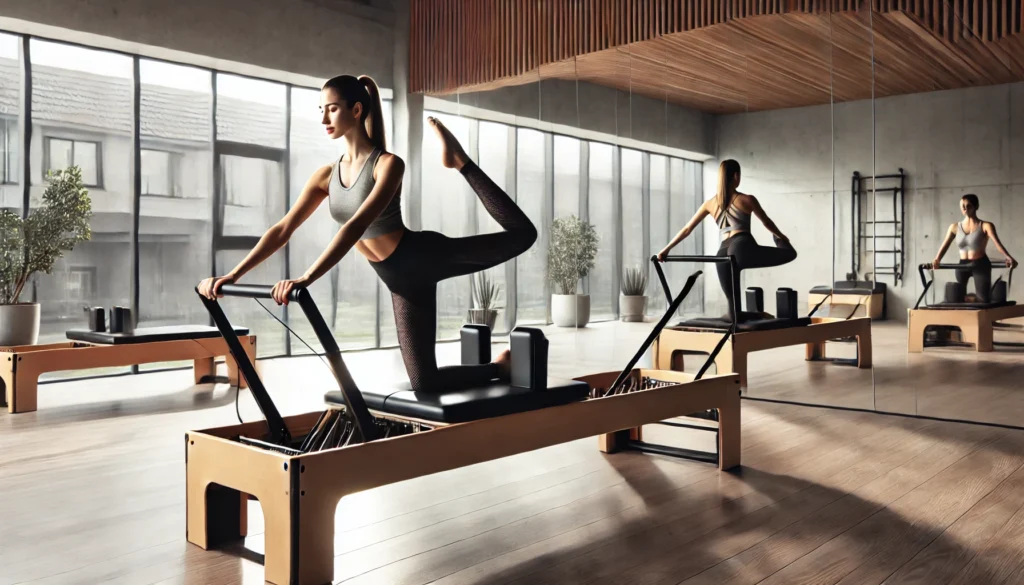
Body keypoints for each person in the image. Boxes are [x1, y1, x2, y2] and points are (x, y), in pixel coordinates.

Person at [198, 74, 537, 392]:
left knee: (523, 235)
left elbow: (356, 226)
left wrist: (306, 278)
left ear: (356, 110)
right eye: (321, 110)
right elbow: (283, 229)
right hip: (398, 280)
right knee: (424, 383)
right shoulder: (325, 175)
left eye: (332, 109)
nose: (324, 119)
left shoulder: (388, 164)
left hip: (423, 257)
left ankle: (461, 162)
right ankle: (500, 367)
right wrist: (232, 274)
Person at [656, 159, 796, 321]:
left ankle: (758, 315)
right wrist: (781, 236)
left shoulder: (710, 204)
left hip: (722, 254)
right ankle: (759, 315)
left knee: (733, 314)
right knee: (789, 253)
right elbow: (767, 222)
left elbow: (687, 229)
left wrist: (665, 250)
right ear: (736, 176)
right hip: (742, 247)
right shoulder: (747, 199)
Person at [930, 193, 1016, 302]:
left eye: (968, 205)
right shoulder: (954, 227)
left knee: (983, 300)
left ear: (976, 206)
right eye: (962, 206)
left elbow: (997, 243)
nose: (965, 208)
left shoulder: (986, 226)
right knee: (957, 300)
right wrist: (937, 259)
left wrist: (1008, 257)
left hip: (980, 265)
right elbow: (945, 245)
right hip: (962, 265)